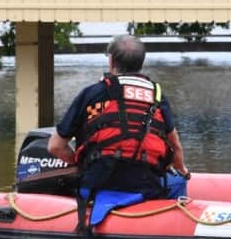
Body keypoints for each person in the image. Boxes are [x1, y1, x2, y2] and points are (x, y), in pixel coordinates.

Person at [48, 34, 189, 200]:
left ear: (111, 61)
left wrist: (81, 165)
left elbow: (55, 146)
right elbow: (176, 147)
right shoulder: (157, 97)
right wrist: (183, 170)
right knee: (178, 181)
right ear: (141, 63)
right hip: (146, 186)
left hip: (96, 184)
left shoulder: (91, 93)